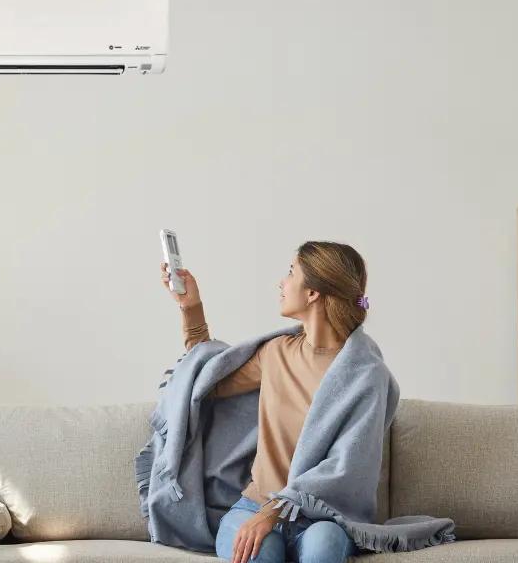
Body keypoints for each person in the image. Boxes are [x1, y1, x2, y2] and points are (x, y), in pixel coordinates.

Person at [159, 241, 372, 563]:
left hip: (324, 516)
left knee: (324, 546)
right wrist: (191, 308)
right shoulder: (277, 353)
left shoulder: (366, 373)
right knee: (257, 554)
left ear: (312, 292)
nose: (281, 283)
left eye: (290, 272)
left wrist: (273, 512)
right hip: (253, 505)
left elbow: (345, 467)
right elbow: (205, 379)